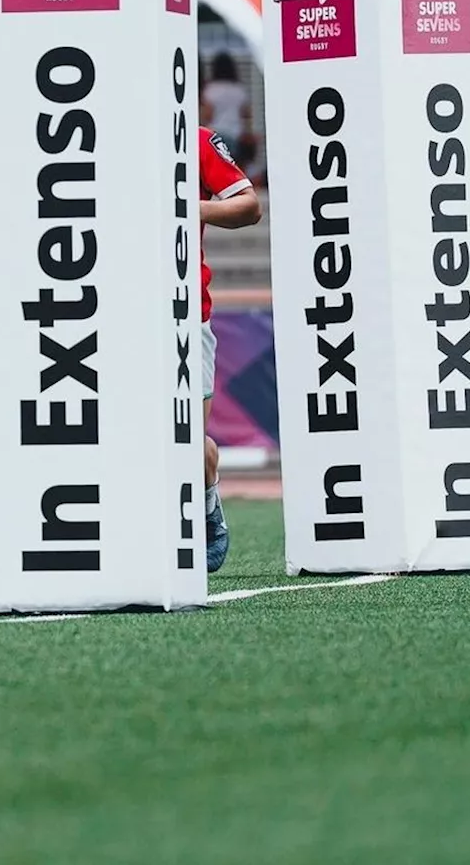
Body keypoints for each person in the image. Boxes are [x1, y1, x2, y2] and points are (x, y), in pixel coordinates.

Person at [197, 126, 263, 572]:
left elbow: (248, 206)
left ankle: (205, 501)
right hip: (111, 314)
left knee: (184, 442)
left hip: (183, 313)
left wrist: (186, 208)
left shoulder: (193, 139)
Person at [201, 52, 254, 166]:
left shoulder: (210, 89)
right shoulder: (239, 90)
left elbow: (208, 115)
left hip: (215, 134)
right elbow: (245, 115)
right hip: (236, 135)